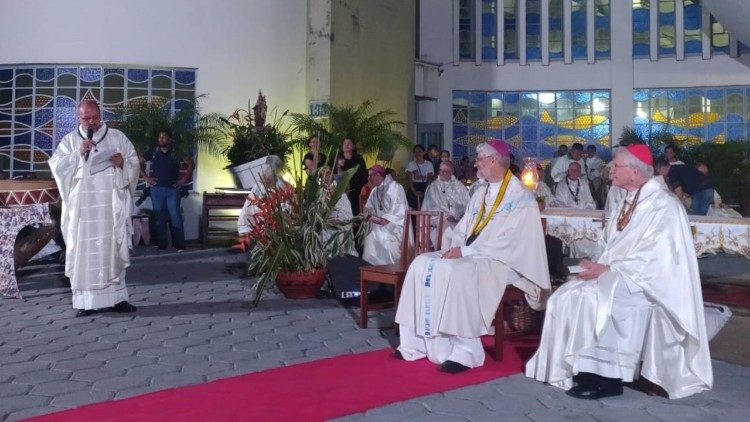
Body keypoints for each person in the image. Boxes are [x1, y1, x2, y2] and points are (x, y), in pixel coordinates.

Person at [526, 144, 713, 400]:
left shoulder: (664, 205)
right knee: (566, 295)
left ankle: (608, 377)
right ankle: (583, 368)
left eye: (615, 165)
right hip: (621, 274)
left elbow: (660, 259)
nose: (610, 170)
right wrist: (595, 262)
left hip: (648, 284)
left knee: (599, 298)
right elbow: (610, 243)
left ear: (634, 172)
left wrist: (609, 269)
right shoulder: (628, 198)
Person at [394, 140, 551, 373]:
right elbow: (464, 228)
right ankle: (416, 342)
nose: (475, 163)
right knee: (421, 263)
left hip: (504, 261)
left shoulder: (521, 198)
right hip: (473, 254)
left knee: (457, 271)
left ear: (494, 160)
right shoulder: (480, 193)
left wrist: (464, 252)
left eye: (479, 159)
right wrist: (454, 247)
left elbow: (512, 243)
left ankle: (465, 352)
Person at [48, 100, 139, 317]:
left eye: (95, 117)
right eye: (86, 118)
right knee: (84, 252)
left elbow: (134, 162)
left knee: (111, 248)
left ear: (101, 114)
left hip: (109, 207)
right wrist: (77, 155)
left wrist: (122, 163)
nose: (91, 122)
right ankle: (85, 302)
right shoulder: (70, 140)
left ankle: (117, 299)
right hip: (84, 210)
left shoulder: (117, 137)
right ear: (78, 118)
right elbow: (57, 166)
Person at [141, 129, 194, 252]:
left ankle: (179, 245)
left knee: (175, 216)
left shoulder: (176, 152)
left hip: (172, 189)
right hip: (156, 189)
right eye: (159, 137)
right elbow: (137, 161)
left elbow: (191, 163)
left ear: (170, 139)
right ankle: (162, 245)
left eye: (164, 137)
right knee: (159, 217)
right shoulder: (153, 152)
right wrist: (146, 177)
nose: (161, 139)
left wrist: (183, 179)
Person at [361, 165, 410, 265]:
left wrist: (384, 220)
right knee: (371, 233)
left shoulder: (395, 187)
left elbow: (400, 212)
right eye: (368, 176)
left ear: (379, 175)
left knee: (383, 236)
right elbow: (368, 207)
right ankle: (372, 268)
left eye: (371, 176)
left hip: (393, 225)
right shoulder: (375, 190)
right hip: (378, 223)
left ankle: (389, 268)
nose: (369, 179)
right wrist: (368, 213)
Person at [421, 161, 471, 246]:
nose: (443, 173)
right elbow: (430, 207)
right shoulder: (433, 187)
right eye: (441, 170)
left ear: (452, 172)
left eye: (446, 171)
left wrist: (457, 217)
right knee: (449, 231)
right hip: (437, 222)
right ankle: (447, 256)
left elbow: (467, 205)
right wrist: (447, 216)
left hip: (459, 221)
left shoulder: (460, 187)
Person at [237, 159, 292, 236]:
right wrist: (244, 229)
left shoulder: (285, 186)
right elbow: (247, 210)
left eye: (268, 180)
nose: (264, 180)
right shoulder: (257, 188)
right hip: (259, 229)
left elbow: (291, 208)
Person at [333, 137, 368, 215]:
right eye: (344, 143)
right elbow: (333, 175)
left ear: (353, 146)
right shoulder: (337, 158)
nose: (346, 145)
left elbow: (364, 174)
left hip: (356, 191)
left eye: (349, 144)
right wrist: (338, 165)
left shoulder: (359, 159)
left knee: (354, 213)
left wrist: (363, 187)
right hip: (342, 192)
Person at [405, 144, 434, 210]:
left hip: (425, 186)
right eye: (415, 152)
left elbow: (429, 179)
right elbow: (408, 179)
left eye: (419, 151)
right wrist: (414, 192)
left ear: (424, 152)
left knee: (425, 207)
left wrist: (425, 192)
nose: (418, 153)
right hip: (413, 187)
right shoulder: (411, 164)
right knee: (412, 208)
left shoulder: (429, 164)